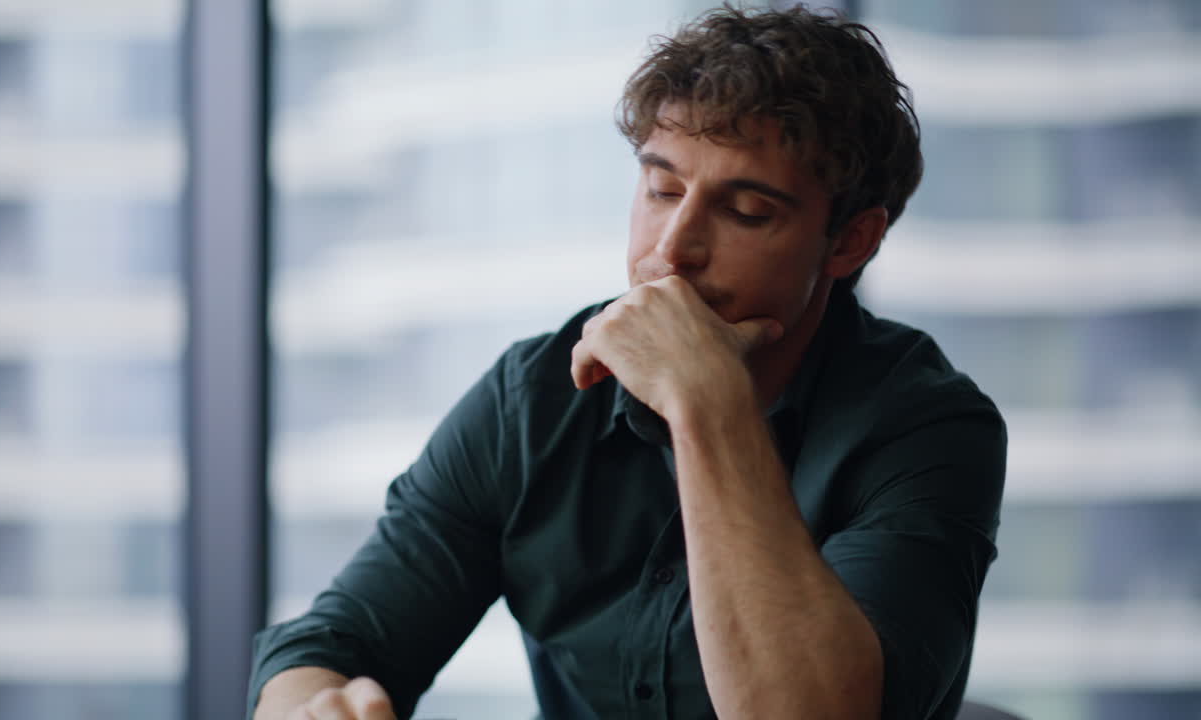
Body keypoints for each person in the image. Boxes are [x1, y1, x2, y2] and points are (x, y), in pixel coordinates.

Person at [248, 4, 1006, 719]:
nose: (673, 248)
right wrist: (317, 704)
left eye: (747, 212)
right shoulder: (534, 397)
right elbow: (331, 644)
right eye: (661, 188)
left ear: (850, 241)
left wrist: (710, 407)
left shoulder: (929, 428)